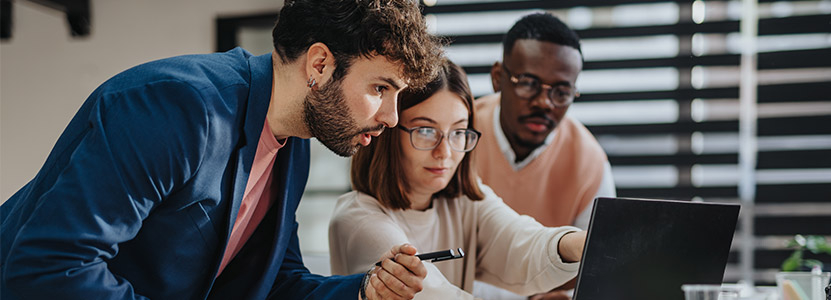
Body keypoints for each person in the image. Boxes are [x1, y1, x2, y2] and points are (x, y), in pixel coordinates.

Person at [0, 0, 445, 299]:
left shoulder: (294, 146)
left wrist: (365, 290)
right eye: (381, 88)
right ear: (320, 65)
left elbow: (276, 283)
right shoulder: (180, 108)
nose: (391, 116)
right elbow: (52, 268)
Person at [328, 59, 587, 300]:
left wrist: (581, 243)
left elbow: (521, 241)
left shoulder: (464, 203)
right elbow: (432, 294)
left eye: (459, 132)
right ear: (389, 132)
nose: (445, 152)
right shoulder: (358, 219)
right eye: (427, 131)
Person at [470, 13, 616, 300]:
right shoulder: (456, 137)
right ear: (498, 78)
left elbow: (600, 268)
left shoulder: (589, 160)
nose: (543, 103)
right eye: (527, 83)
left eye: (561, 92)